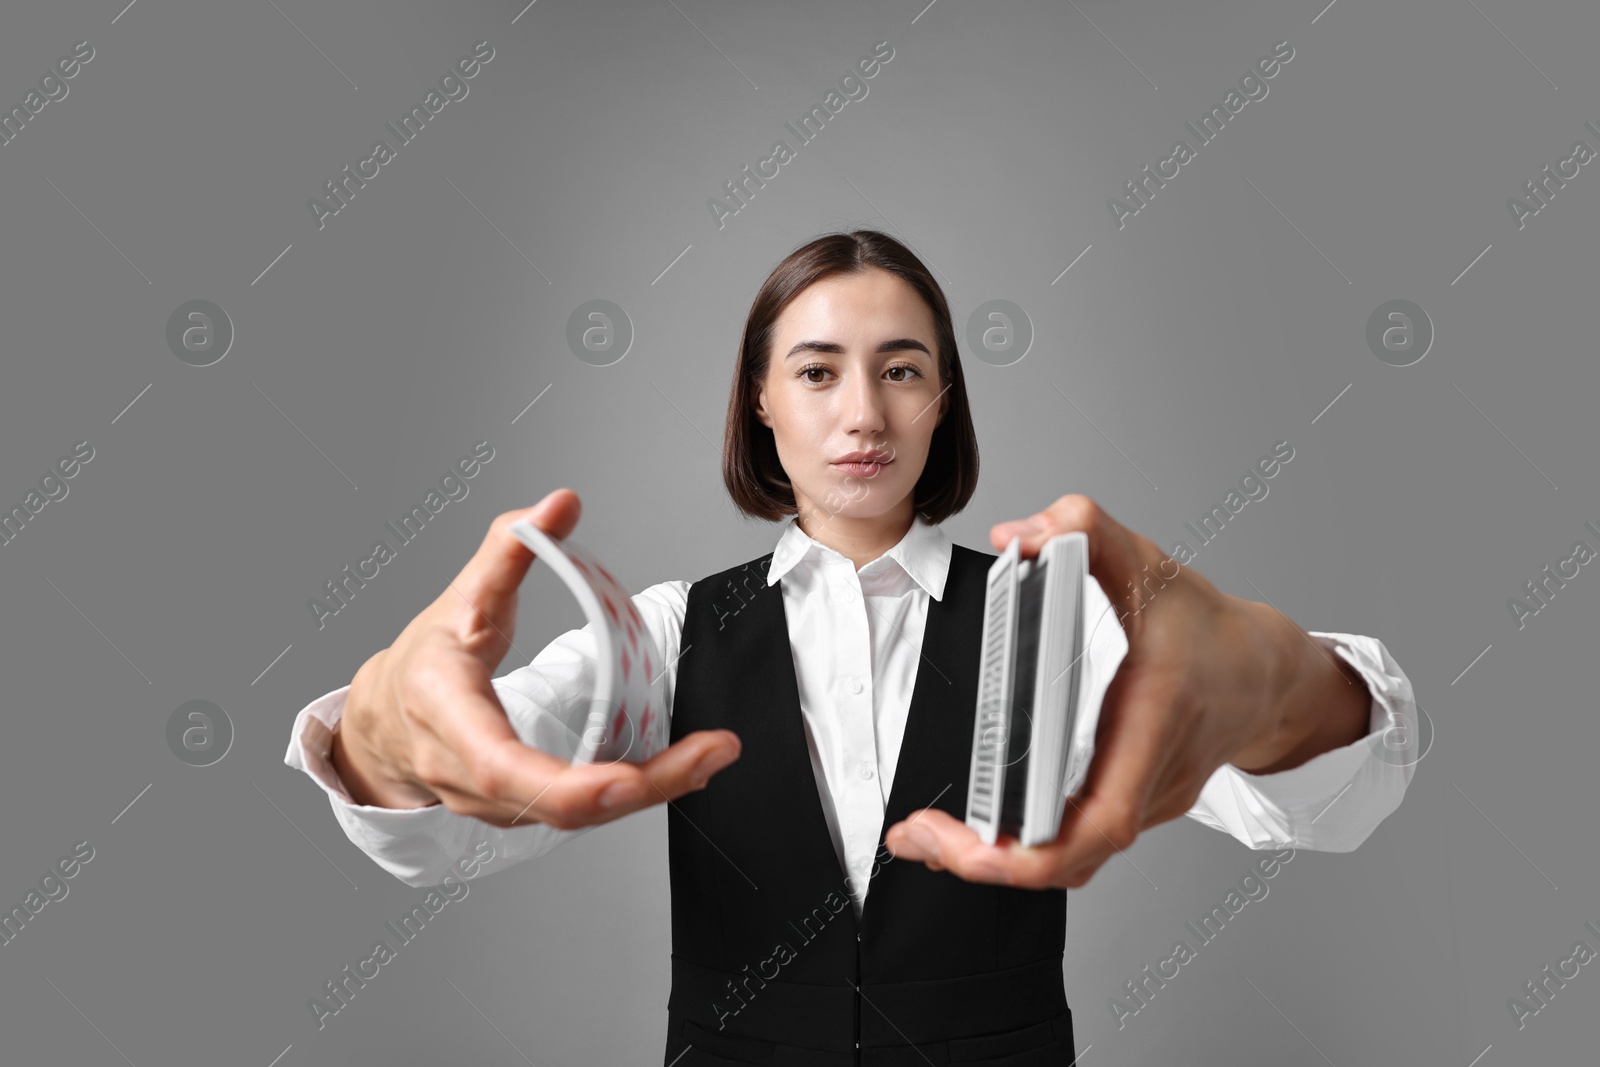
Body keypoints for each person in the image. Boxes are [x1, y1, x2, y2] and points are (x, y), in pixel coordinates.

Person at [284, 229, 1417, 1065]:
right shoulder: (672, 631)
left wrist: (1281, 688)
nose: (863, 412)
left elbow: (1326, 805)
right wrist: (384, 735)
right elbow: (452, 815)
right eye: (819, 370)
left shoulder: (1052, 625)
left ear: (940, 403)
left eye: (903, 368)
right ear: (763, 401)